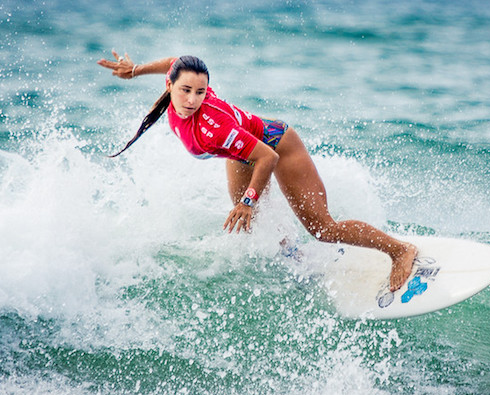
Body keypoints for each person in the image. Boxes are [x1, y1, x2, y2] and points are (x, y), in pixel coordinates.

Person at [97, 51, 417, 292]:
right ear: (170, 84)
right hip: (240, 152)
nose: (192, 99)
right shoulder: (177, 90)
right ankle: (298, 262)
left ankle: (399, 250)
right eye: (185, 90)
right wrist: (136, 70)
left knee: (322, 229)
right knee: (251, 228)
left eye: (200, 92)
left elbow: (266, 157)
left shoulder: (214, 127)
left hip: (277, 145)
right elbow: (177, 59)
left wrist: (247, 201)